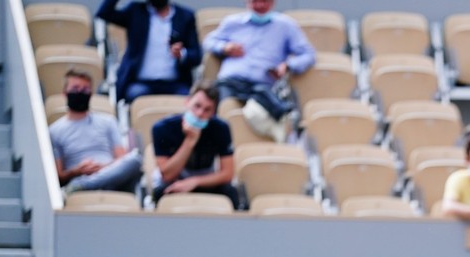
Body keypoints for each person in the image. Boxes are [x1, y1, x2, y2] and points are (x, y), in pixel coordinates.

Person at [203, 0, 316, 143]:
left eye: (264, 1)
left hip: (265, 86)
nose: (260, 5)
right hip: (230, 83)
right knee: (221, 115)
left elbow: (308, 54)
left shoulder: (286, 25)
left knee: (282, 114)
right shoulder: (232, 22)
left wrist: (287, 65)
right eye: (255, 1)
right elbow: (208, 41)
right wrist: (224, 47)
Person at [50, 69, 143, 195]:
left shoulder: (108, 121)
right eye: (75, 88)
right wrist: (77, 171)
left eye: (85, 89)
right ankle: (83, 185)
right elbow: (59, 175)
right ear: (65, 93)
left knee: (135, 160)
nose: (80, 92)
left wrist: (103, 168)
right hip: (79, 176)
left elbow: (121, 158)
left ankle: (83, 186)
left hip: (110, 174)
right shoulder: (54, 130)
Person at [151, 83, 239, 207]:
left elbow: (228, 173)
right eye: (197, 106)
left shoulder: (221, 128)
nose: (199, 113)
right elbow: (167, 175)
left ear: (213, 113)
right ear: (187, 102)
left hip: (204, 180)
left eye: (207, 110)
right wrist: (189, 141)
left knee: (230, 191)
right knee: (161, 191)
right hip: (175, 180)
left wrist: (194, 182)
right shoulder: (163, 128)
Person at [96, 0, 201, 102]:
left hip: (176, 83)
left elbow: (196, 56)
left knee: (189, 101)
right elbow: (104, 13)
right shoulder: (136, 11)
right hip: (141, 83)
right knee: (135, 95)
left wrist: (182, 54)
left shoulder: (185, 16)